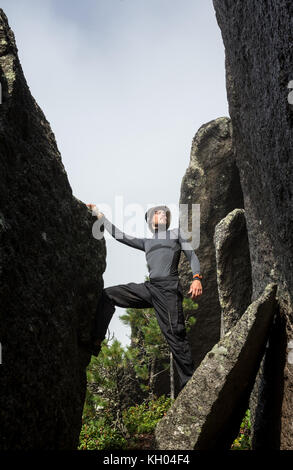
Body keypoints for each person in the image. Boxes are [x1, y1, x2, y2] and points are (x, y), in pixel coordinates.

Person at [86, 204, 203, 392]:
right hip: (151, 288)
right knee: (108, 295)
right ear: (151, 221)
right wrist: (100, 215)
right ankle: (96, 341)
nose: (162, 214)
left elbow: (192, 256)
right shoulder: (146, 242)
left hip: (168, 289)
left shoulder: (176, 233)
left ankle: (190, 382)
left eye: (164, 213)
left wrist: (196, 278)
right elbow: (119, 235)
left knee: (175, 334)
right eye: (157, 213)